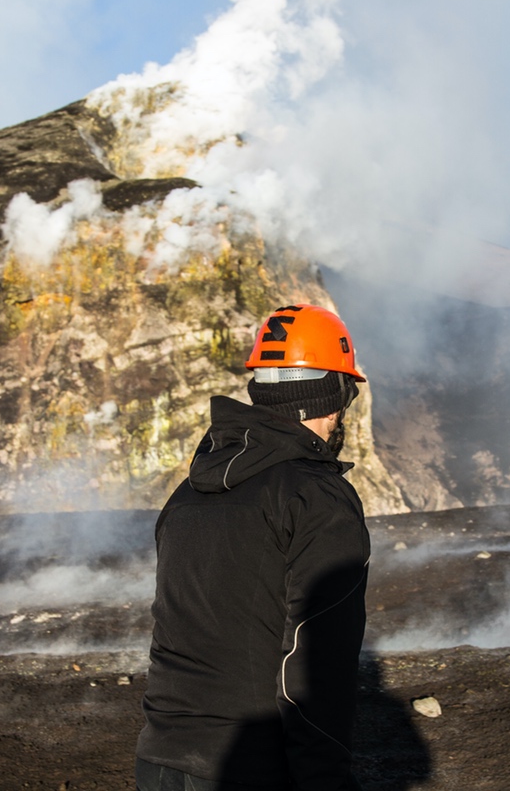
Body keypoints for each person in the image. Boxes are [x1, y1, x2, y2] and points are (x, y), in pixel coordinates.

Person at [135, 303, 371, 790]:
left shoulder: (190, 491)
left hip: (160, 760)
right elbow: (314, 659)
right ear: (336, 395)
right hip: (250, 769)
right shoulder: (316, 497)